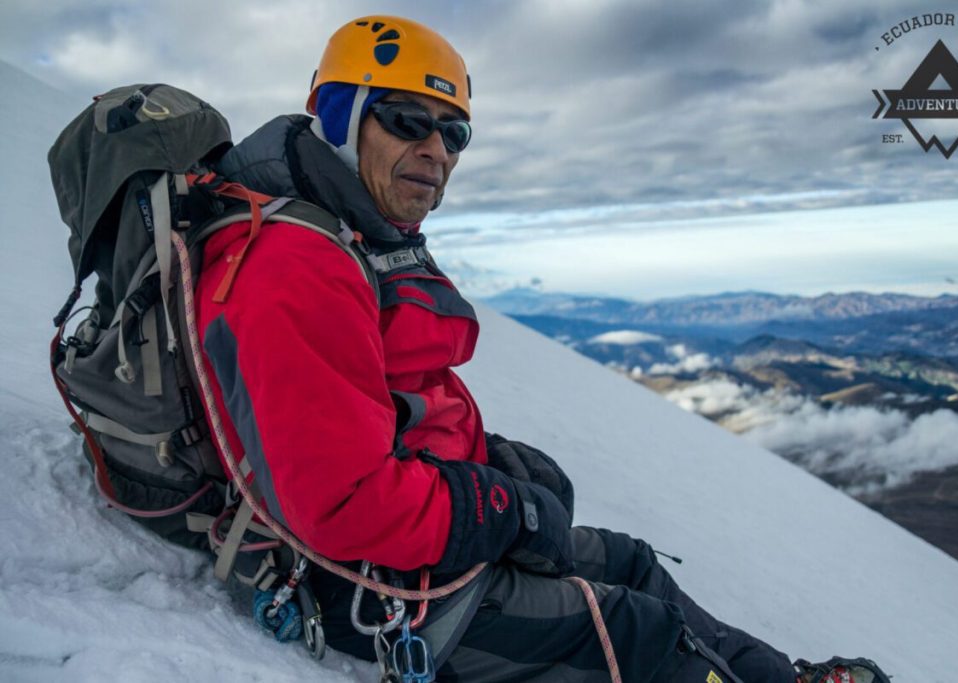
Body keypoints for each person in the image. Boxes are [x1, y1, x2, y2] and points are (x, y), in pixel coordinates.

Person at [195, 15, 888, 683]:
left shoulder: (348, 236)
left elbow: (366, 408)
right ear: (340, 114)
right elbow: (345, 504)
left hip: (405, 545)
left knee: (630, 561)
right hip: (364, 584)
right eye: (408, 120)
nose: (438, 149)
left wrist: (485, 462)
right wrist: (498, 507)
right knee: (633, 632)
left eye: (455, 132)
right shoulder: (296, 266)